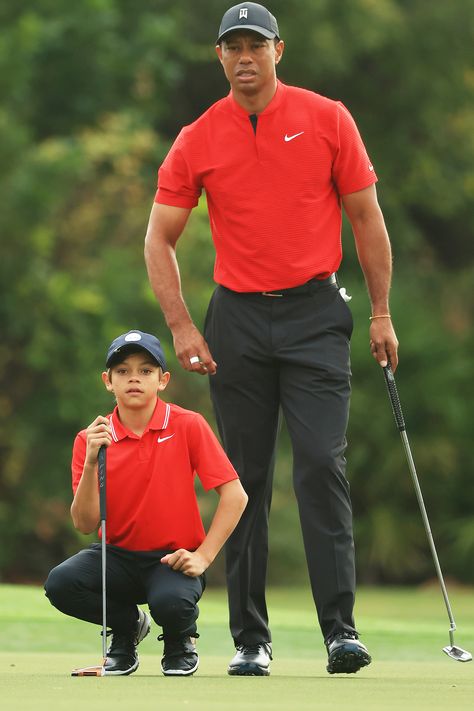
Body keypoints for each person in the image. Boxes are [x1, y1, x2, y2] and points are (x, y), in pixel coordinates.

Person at [144, 2, 399, 676]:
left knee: (320, 463)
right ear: (220, 57)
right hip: (238, 320)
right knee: (244, 478)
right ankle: (250, 639)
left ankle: (340, 630)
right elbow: (159, 237)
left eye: (257, 44)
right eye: (234, 46)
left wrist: (381, 311)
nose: (246, 56)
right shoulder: (198, 137)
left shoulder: (327, 119)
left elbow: (367, 218)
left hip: (317, 311)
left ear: (279, 51)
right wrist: (181, 325)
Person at [44, 329, 248, 677]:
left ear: (162, 380)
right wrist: (93, 460)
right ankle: (127, 629)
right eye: (122, 371)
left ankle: (180, 639)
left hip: (172, 559)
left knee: (171, 603)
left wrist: (204, 555)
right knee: (60, 584)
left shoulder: (187, 425)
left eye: (145, 370)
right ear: (108, 381)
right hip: (117, 558)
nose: (134, 378)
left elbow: (235, 495)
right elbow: (83, 524)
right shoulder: (90, 438)